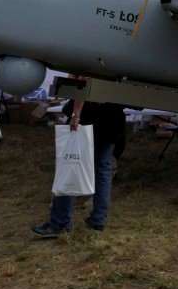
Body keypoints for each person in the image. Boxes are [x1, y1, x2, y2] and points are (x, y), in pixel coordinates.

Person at [32, 79, 126, 238]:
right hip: (112, 118)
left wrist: (76, 114)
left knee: (70, 167)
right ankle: (98, 220)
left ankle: (60, 223)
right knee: (103, 170)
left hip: (89, 116)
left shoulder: (94, 61)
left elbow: (82, 85)